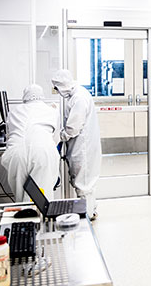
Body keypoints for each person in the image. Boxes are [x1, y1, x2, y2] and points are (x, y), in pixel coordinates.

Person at [51, 69, 102, 219]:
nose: (57, 91)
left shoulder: (78, 98)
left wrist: (59, 136)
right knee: (87, 181)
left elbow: (73, 128)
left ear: (62, 85)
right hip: (84, 145)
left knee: (83, 183)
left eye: (57, 88)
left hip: (83, 147)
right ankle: (91, 210)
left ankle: (85, 216)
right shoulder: (78, 94)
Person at [1, 84, 60, 202]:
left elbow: (9, 135)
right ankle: (41, 219)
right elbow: (55, 139)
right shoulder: (51, 111)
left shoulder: (14, 111)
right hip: (42, 152)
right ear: (42, 96)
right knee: (41, 199)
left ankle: (24, 219)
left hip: (16, 154)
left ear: (25, 97)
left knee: (20, 197)